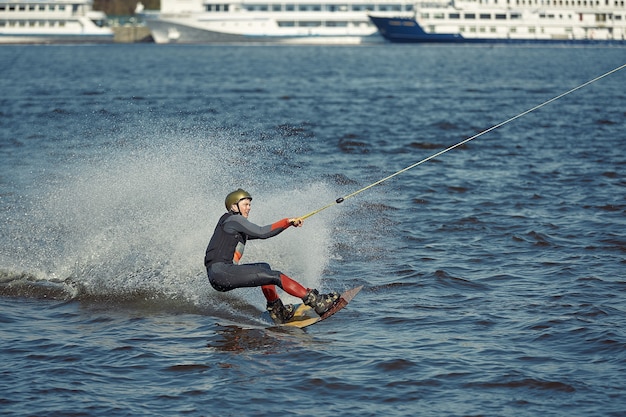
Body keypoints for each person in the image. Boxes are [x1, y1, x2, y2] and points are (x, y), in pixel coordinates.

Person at [204, 188, 339, 323]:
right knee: (276, 276)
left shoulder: (232, 226)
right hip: (222, 272)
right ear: (234, 206)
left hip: (220, 274)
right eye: (245, 204)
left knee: (264, 267)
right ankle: (317, 302)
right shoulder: (234, 219)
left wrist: (289, 225)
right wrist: (287, 221)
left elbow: (264, 233)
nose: (249, 208)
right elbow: (263, 232)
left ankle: (277, 310)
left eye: (250, 205)